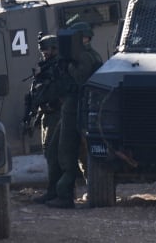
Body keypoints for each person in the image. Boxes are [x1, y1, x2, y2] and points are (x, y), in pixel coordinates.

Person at [45, 22, 103, 209]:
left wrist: (69, 65)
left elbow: (80, 78)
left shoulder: (85, 57)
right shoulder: (82, 55)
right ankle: (56, 191)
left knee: (66, 152)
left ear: (84, 38)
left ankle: (65, 195)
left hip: (78, 109)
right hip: (72, 108)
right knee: (55, 148)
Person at [24, 34, 69, 204]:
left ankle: (57, 192)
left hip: (57, 114)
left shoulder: (58, 66)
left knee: (55, 154)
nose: (44, 53)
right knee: (49, 152)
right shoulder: (46, 67)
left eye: (47, 50)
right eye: (42, 50)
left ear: (55, 49)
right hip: (47, 114)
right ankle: (55, 190)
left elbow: (56, 90)